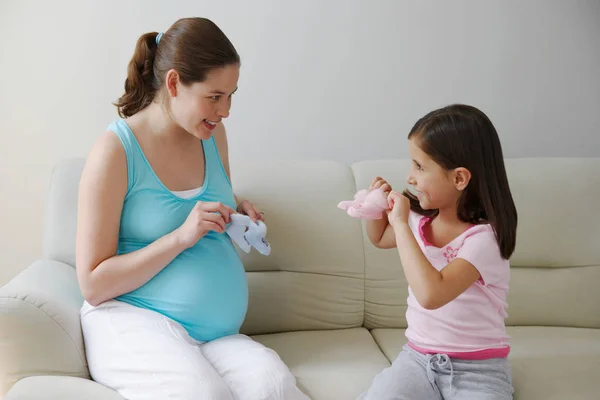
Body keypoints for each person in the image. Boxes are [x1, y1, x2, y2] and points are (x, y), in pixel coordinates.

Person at [76, 17, 309, 400]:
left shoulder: (212, 136)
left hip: (213, 335)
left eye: (232, 95)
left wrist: (236, 216)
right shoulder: (115, 152)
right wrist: (181, 237)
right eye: (214, 96)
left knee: (275, 386)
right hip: (131, 317)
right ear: (173, 84)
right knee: (203, 394)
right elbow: (93, 283)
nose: (226, 110)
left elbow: (209, 213)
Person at [360, 104, 517, 399]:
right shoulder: (421, 219)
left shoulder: (484, 240)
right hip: (417, 360)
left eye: (420, 167)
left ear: (459, 178)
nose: (410, 177)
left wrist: (402, 225)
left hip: (479, 371)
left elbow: (432, 295)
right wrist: (375, 209)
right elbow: (380, 237)